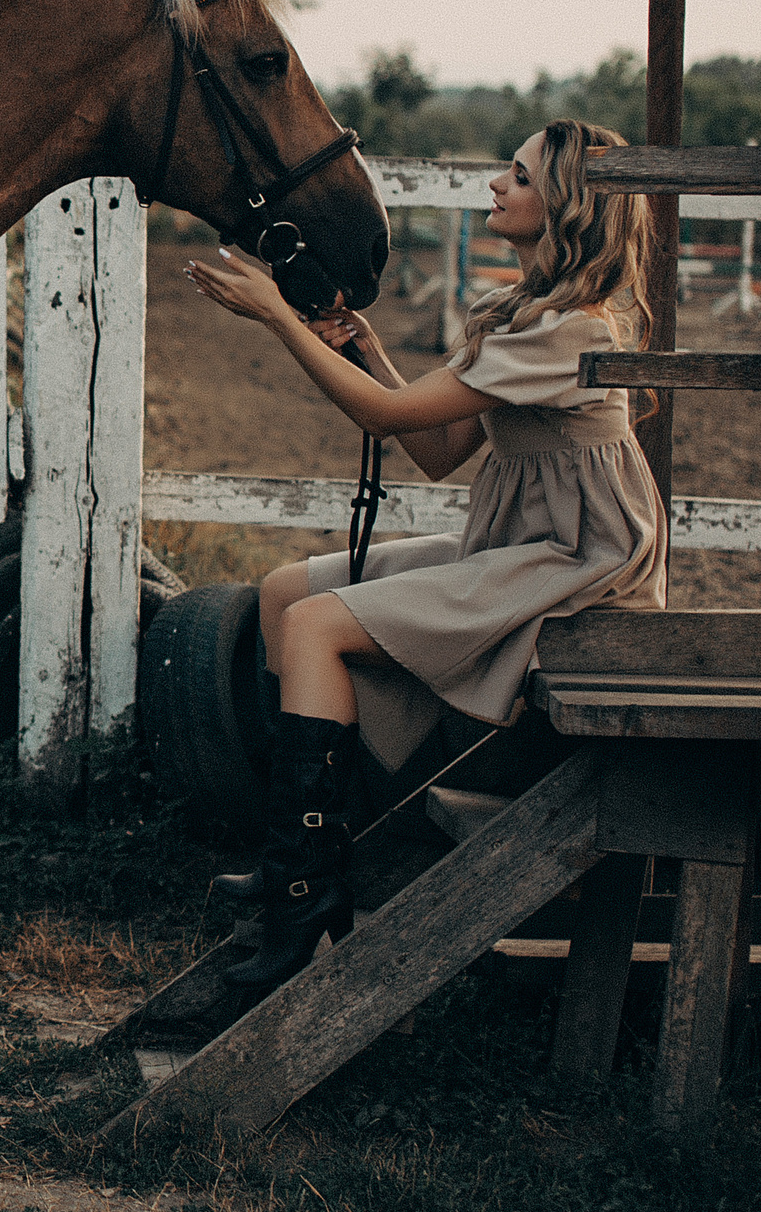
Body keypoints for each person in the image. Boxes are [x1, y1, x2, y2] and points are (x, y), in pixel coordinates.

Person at [182, 119, 667, 988]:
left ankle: (304, 899)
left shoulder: (572, 333)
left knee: (320, 628)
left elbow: (381, 418)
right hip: (521, 542)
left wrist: (277, 320)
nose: (496, 185)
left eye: (516, 176)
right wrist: (366, 346)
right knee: (285, 593)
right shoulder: (516, 315)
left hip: (578, 562)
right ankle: (319, 850)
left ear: (564, 203)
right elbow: (438, 449)